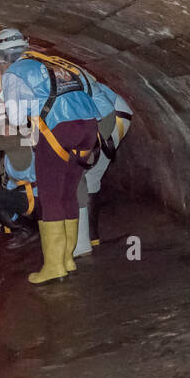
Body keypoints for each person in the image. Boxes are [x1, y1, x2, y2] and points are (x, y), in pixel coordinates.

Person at [0, 28, 100, 284]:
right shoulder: (58, 61)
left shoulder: (16, 72)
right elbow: (88, 89)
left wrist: (1, 91)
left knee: (50, 196)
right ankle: (68, 259)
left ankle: (54, 266)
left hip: (57, 130)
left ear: (1, 55)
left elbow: (17, 117)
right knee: (69, 192)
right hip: (87, 127)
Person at [74, 79, 132, 256]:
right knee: (89, 177)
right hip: (102, 114)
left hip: (113, 115)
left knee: (78, 175)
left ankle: (81, 244)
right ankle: (91, 237)